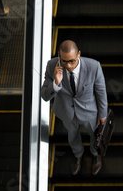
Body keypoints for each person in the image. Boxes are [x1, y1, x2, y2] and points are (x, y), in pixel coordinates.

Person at [41, 40, 108, 176]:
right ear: (59, 56)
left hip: (89, 112)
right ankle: (78, 155)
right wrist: (56, 83)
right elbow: (45, 96)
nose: (68, 66)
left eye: (71, 61)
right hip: (67, 113)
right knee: (72, 137)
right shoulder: (52, 65)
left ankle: (95, 154)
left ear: (78, 54)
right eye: (64, 61)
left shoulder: (93, 66)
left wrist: (102, 114)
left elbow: (101, 92)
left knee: (94, 135)